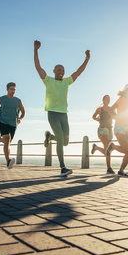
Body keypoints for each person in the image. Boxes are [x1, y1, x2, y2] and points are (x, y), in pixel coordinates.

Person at [33, 40, 90, 176]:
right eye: (58, 69)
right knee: (60, 138)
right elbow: (38, 67)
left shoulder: (67, 82)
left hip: (64, 114)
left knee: (65, 141)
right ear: (54, 71)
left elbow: (79, 71)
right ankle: (63, 167)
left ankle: (49, 137)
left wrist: (87, 59)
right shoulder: (48, 80)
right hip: (52, 113)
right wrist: (36, 50)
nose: (61, 71)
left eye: (63, 70)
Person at [0, 82, 25, 169]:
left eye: (14, 89)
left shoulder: (18, 101)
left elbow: (23, 112)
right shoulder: (1, 99)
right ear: (7, 89)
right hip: (3, 122)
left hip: (13, 124)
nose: (13, 91)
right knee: (7, 139)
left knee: (7, 142)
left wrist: (20, 118)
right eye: (11, 89)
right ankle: (8, 161)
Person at [91, 95, 115, 174]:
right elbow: (93, 116)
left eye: (109, 99)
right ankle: (109, 168)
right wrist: (97, 119)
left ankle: (96, 147)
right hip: (102, 130)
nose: (108, 100)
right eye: (106, 99)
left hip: (110, 130)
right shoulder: (99, 109)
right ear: (103, 100)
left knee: (108, 150)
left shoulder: (111, 109)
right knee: (107, 149)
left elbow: (116, 117)